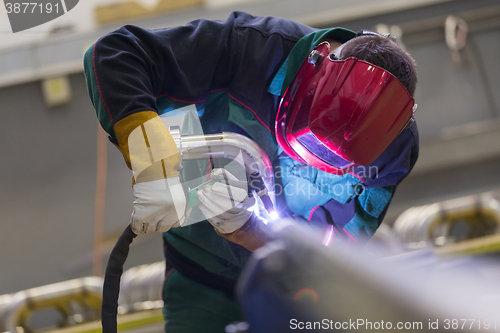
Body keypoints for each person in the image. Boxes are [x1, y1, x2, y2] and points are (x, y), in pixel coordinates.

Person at [83, 11, 418, 333]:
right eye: (310, 142)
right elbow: (115, 53)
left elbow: (332, 255)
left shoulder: (396, 147)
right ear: (313, 70)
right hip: (202, 281)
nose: (311, 160)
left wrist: (250, 233)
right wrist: (148, 143)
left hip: (294, 291)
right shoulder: (250, 49)